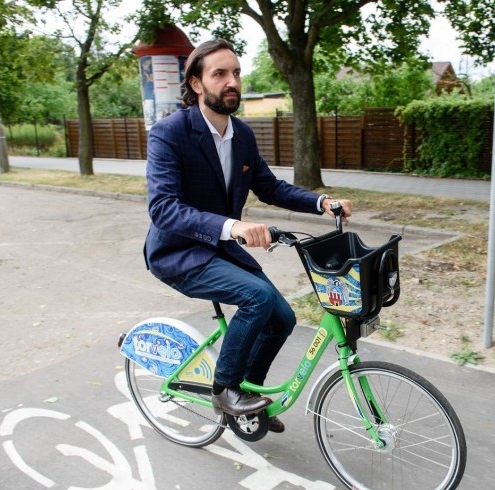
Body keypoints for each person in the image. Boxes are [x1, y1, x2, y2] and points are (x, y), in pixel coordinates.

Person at [144, 38, 351, 433]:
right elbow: (163, 208)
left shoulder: (241, 134)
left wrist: (321, 202)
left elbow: (270, 187)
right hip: (179, 253)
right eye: (219, 73)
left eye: (236, 72)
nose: (231, 81)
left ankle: (247, 398)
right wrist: (234, 227)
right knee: (257, 298)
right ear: (196, 83)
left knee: (282, 318)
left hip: (218, 249)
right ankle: (226, 392)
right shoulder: (169, 133)